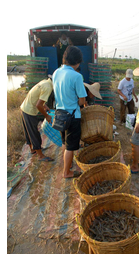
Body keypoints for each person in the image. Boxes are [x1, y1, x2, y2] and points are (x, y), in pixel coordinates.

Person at [52, 46, 87, 178]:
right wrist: (76, 104)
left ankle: (67, 164)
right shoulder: (76, 76)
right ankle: (67, 171)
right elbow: (82, 100)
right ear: (77, 61)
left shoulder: (56, 73)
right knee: (71, 146)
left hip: (60, 114)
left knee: (64, 142)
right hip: (72, 116)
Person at [20, 77, 54, 161]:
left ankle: (33, 150)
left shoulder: (45, 82)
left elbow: (39, 98)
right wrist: (46, 116)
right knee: (33, 133)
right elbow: (38, 105)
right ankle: (40, 156)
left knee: (29, 131)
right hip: (29, 111)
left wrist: (45, 106)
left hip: (24, 107)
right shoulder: (48, 87)